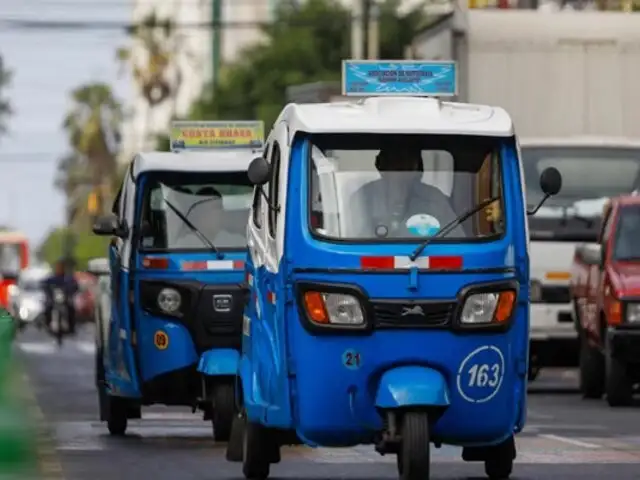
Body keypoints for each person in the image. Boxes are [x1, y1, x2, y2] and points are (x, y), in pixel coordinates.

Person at [348, 145, 465, 239]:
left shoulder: (434, 198)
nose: (402, 170)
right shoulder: (363, 197)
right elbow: (349, 241)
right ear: (380, 165)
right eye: (395, 164)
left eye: (407, 164)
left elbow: (457, 240)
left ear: (418, 168)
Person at [42, 258, 79, 334]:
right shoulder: (52, 278)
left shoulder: (68, 278)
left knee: (71, 308)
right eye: (58, 267)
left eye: (61, 267)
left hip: (65, 298)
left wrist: (71, 290)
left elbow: (75, 285)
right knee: (48, 308)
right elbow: (45, 285)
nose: (59, 269)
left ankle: (72, 327)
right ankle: (48, 324)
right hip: (54, 299)